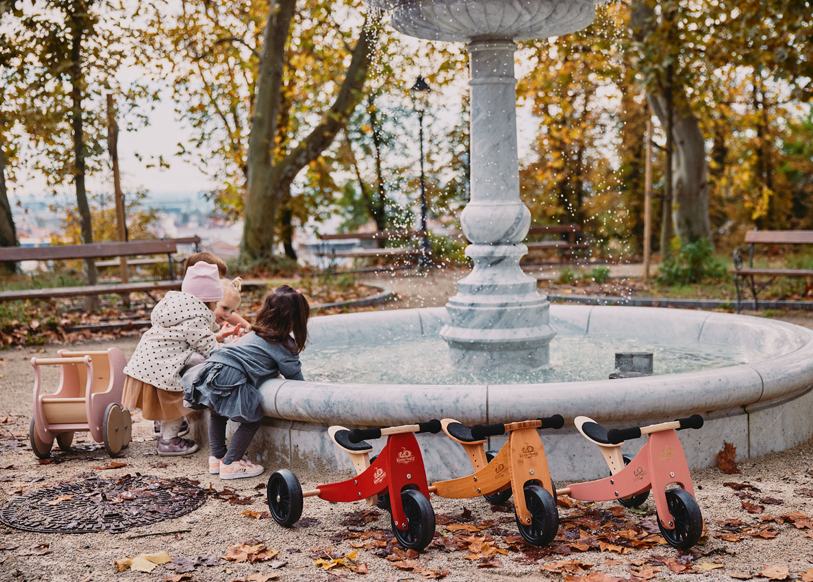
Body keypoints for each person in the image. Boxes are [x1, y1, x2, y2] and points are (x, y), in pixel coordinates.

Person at [184, 285, 309, 479]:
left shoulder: (254, 333)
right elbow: (296, 380)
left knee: (217, 413)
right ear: (296, 320)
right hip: (231, 375)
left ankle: (217, 458)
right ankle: (232, 462)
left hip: (214, 367)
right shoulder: (284, 344)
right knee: (252, 418)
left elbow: (254, 359)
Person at [123, 262, 239, 456]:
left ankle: (163, 429)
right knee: (180, 399)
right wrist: (231, 352)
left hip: (146, 365)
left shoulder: (177, 307)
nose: (226, 315)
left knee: (168, 398)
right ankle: (168, 442)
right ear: (210, 301)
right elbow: (208, 348)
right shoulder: (196, 316)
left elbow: (187, 338)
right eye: (220, 305)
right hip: (162, 371)